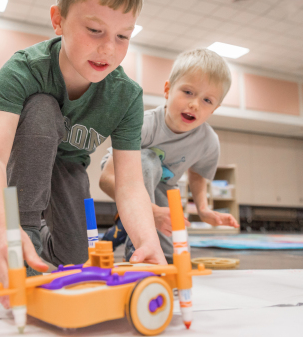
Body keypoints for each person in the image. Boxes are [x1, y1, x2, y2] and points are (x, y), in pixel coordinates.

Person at [0, 0, 166, 308]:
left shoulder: (127, 97)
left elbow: (130, 184)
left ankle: (39, 244)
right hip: (24, 148)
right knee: (43, 108)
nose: (108, 48)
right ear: (58, 20)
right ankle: (24, 233)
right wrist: (5, 232)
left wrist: (147, 241)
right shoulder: (23, 70)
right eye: (95, 30)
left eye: (123, 35)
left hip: (67, 164)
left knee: (74, 257)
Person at [99, 48, 239, 263]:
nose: (194, 104)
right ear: (168, 90)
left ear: (215, 109)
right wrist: (146, 212)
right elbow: (107, 179)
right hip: (124, 175)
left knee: (173, 258)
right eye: (188, 92)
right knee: (148, 160)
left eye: (207, 101)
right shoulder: (144, 124)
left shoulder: (208, 141)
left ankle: (120, 229)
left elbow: (197, 172)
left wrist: (203, 209)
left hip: (165, 185)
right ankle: (134, 236)